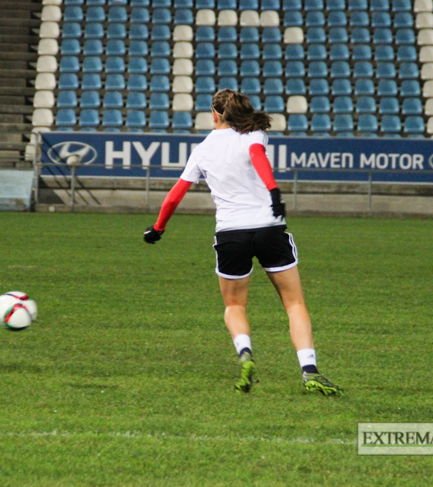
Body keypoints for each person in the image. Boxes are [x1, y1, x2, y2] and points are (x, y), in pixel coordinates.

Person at [143, 89, 342, 396]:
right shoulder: (254, 133)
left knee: (234, 305)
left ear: (214, 114)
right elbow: (256, 156)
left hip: (230, 233)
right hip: (268, 227)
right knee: (294, 304)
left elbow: (175, 195)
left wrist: (158, 228)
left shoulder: (202, 150)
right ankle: (309, 369)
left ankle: (245, 353)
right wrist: (273, 191)